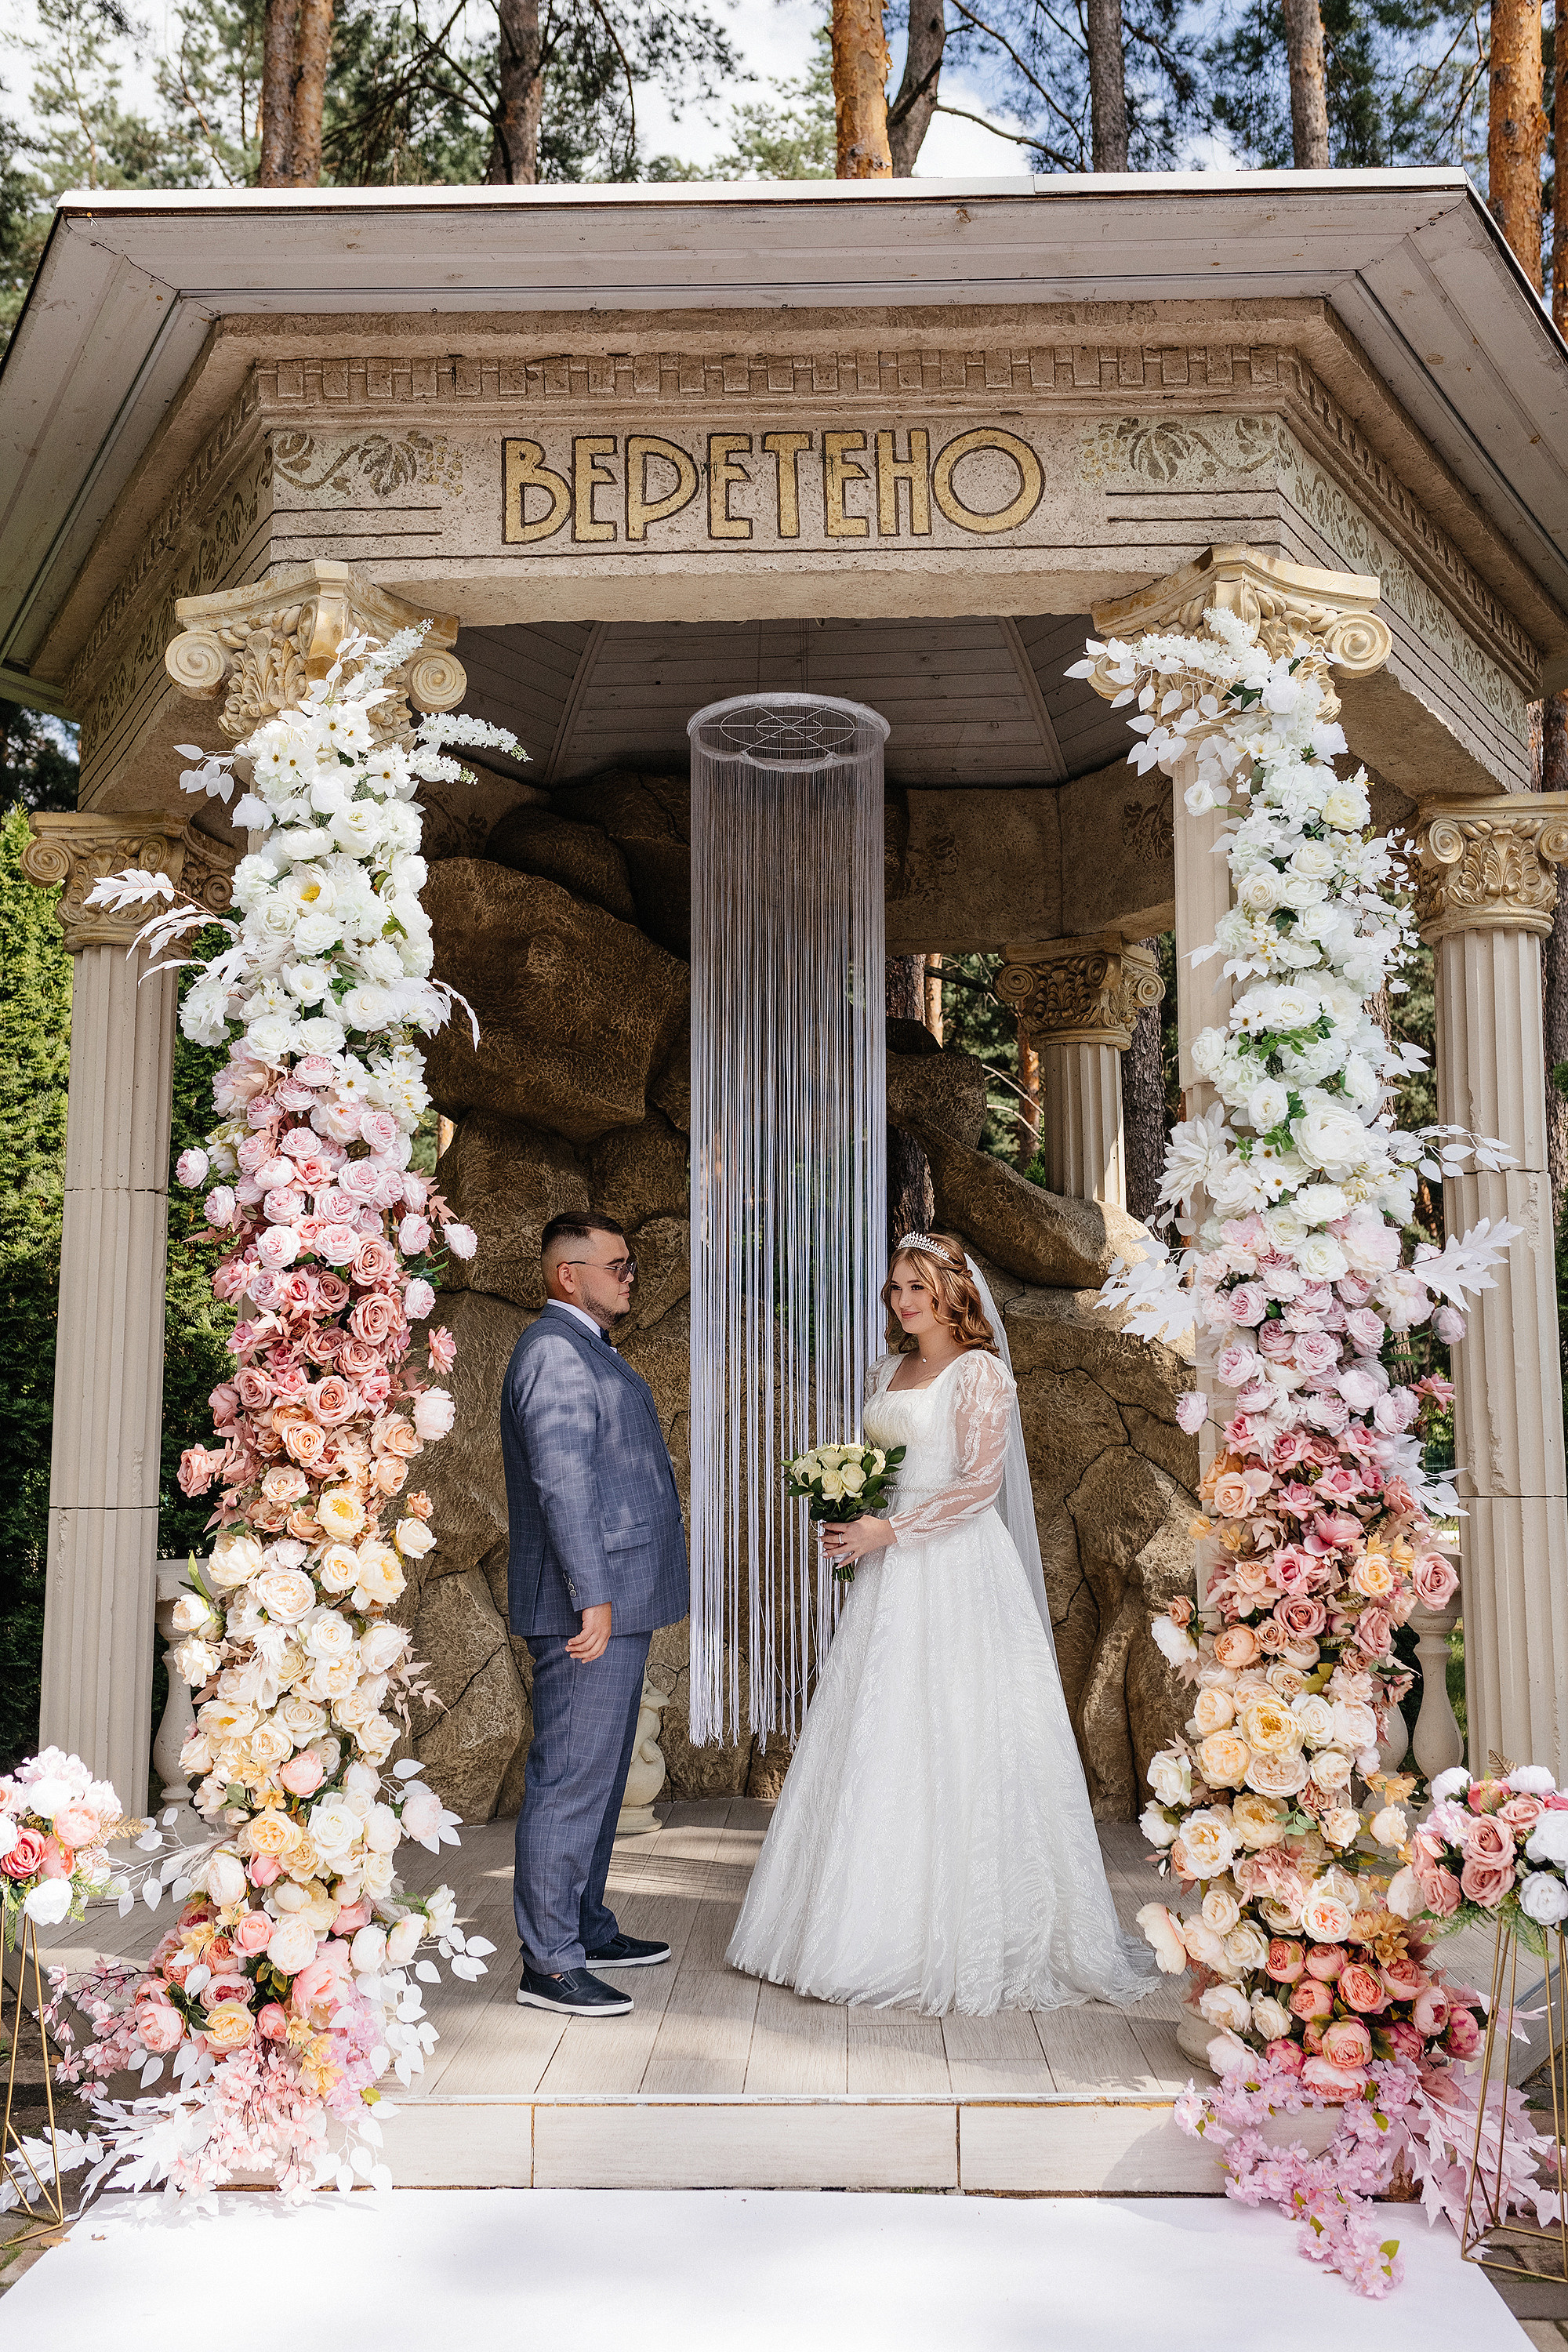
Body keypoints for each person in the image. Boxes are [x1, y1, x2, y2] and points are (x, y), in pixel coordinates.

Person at [727, 1229, 1156, 2016]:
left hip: (957, 1568)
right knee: (882, 1730)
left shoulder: (980, 1372)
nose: (902, 1301)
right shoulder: (885, 1369)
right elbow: (878, 1465)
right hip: (888, 1570)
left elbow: (979, 1485)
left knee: (963, 1729)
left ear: (952, 1293)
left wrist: (886, 1530)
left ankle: (970, 1933)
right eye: (895, 1288)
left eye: (916, 1288)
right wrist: (849, 1510)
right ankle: (857, 1924)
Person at [502, 1210, 688, 2018]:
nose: (629, 1277)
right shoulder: (553, 1351)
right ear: (566, 1275)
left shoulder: (585, 1346)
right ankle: (549, 1964)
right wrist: (593, 1595)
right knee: (571, 1778)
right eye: (616, 1266)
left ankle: (583, 1925)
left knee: (602, 1776)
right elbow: (564, 1483)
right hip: (586, 1604)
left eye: (630, 1265)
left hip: (610, 1595)